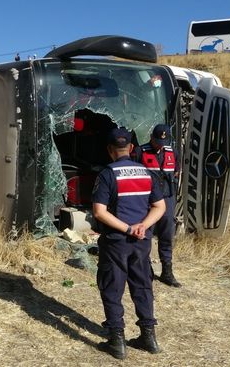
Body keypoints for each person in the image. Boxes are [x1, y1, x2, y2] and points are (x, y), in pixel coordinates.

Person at [92, 127, 166, 360]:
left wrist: (127, 228)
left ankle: (117, 342)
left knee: (112, 287)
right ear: (132, 148)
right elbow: (160, 207)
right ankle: (149, 337)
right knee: (142, 285)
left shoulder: (107, 175)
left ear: (109, 150)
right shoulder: (146, 173)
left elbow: (99, 212)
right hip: (141, 242)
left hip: (116, 242)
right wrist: (142, 226)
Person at [133, 124, 182, 287]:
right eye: (157, 142)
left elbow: (176, 172)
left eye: (163, 142)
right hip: (147, 201)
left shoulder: (173, 152)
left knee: (167, 235)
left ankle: (167, 271)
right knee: (145, 235)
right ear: (151, 138)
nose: (160, 146)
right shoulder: (140, 152)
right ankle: (145, 269)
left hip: (167, 199)